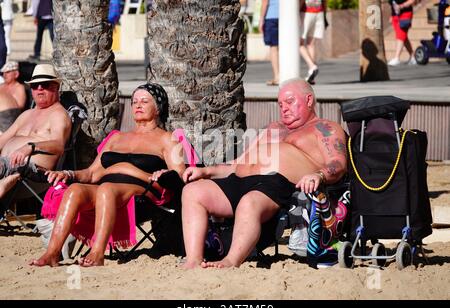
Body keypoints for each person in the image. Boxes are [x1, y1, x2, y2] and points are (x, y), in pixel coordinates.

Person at [181, 78, 347, 269]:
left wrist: (319, 175)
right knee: (192, 192)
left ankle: (230, 261)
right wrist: (205, 170)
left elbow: (338, 162)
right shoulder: (273, 129)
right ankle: (193, 259)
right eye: (281, 104)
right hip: (239, 180)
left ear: (309, 100)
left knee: (249, 202)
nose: (284, 108)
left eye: (290, 101)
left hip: (275, 184)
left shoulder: (323, 128)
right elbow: (237, 164)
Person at [30, 83, 186, 267]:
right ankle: (52, 253)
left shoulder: (167, 138)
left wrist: (163, 172)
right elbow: (91, 174)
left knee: (106, 189)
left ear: (158, 108)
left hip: (143, 193)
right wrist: (68, 173)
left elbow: (181, 175)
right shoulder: (116, 137)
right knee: (74, 190)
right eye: (134, 101)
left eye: (144, 101)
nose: (138, 105)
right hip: (107, 189)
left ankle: (97, 253)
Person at [0, 63, 71, 198]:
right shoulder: (26, 114)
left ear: (56, 86)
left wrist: (30, 147)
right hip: (6, 166)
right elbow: (3, 139)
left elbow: (59, 145)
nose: (39, 89)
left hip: (32, 173)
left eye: (44, 84)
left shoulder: (58, 114)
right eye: (34, 85)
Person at [299, 0, 327, 84]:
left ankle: (312, 66)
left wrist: (297, 12)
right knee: (311, 44)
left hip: (306, 11)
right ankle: (311, 73)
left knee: (298, 43)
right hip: (319, 11)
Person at [388, 0, 417, 66]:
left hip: (405, 14)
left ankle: (397, 58)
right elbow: (393, 3)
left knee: (400, 36)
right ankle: (412, 57)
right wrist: (391, 15)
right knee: (404, 37)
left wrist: (402, 6)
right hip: (395, 15)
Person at [259, 0, 279, 86]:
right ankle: (285, 75)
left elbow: (265, 2)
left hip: (271, 18)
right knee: (283, 47)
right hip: (287, 17)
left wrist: (261, 20)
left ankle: (277, 76)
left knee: (273, 48)